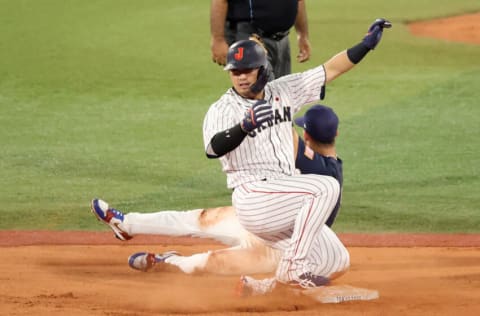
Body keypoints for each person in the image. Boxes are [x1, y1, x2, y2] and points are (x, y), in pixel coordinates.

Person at [202, 18, 391, 289]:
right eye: (235, 71)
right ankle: (294, 267)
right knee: (325, 186)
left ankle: (262, 288)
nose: (241, 77)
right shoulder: (222, 109)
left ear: (262, 70)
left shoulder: (284, 91)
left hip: (285, 199)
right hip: (253, 197)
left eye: (248, 70)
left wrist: (365, 46)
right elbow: (213, 148)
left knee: (336, 259)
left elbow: (331, 69)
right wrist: (244, 126)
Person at [91, 105, 343, 278]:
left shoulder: (313, 165)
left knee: (208, 260)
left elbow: (286, 136)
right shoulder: (331, 172)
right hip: (259, 223)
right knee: (200, 219)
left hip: (278, 249)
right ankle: (126, 225)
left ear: (307, 133)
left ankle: (167, 261)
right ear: (336, 135)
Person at [210, 0, 311, 79]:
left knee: (282, 94)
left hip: (282, 39)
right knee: (258, 93)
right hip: (249, 36)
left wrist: (302, 35)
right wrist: (218, 39)